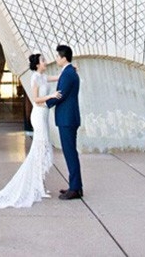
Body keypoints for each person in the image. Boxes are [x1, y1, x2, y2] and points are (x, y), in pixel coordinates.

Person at [0, 53, 60, 208]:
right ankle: (38, 186)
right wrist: (51, 95)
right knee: (40, 148)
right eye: (43, 60)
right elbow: (36, 100)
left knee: (41, 149)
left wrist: (69, 70)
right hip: (39, 115)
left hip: (44, 115)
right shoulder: (35, 78)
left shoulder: (43, 76)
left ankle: (39, 185)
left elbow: (56, 77)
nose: (46, 62)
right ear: (37, 64)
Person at [41, 44, 83, 200]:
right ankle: (75, 186)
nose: (56, 59)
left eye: (58, 56)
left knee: (70, 153)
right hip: (68, 118)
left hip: (67, 119)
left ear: (64, 57)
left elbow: (61, 95)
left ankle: (75, 188)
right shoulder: (69, 72)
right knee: (70, 152)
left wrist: (44, 104)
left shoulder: (68, 74)